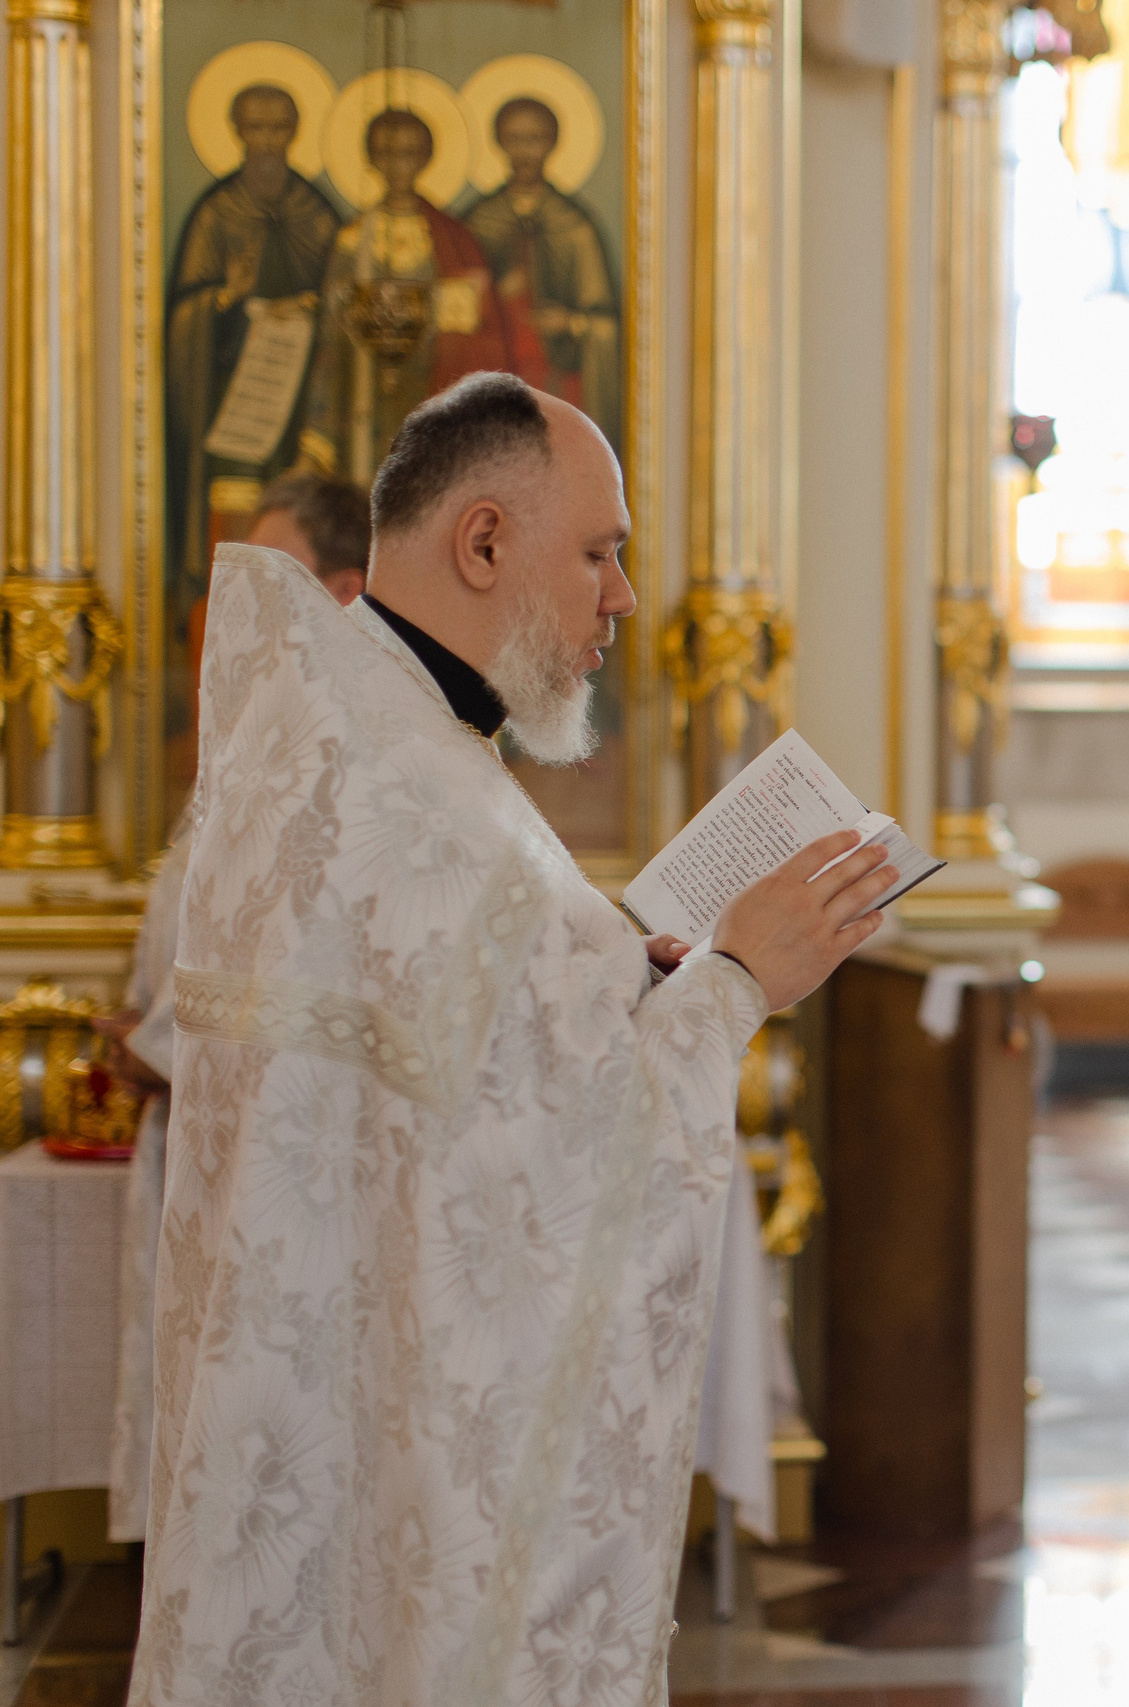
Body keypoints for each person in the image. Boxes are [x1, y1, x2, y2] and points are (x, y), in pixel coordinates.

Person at [132, 373, 899, 1704]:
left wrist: (637, 978)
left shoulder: (357, 736)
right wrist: (736, 980)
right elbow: (571, 1163)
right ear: (483, 542)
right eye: (598, 552)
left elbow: (468, 1087)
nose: (621, 596)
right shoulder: (414, 785)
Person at [96, 471, 373, 1547]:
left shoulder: (341, 765)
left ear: (343, 594)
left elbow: (306, 990)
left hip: (273, 1178)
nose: (236, 613)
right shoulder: (265, 743)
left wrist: (158, 1043)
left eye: (272, 577)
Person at [164, 85, 340, 620]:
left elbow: (346, 307)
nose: (267, 140)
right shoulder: (217, 214)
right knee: (237, 527)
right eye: (255, 128)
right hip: (235, 404)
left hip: (305, 403)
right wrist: (223, 299)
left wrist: (316, 313)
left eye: (279, 127)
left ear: (294, 132)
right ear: (238, 132)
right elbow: (183, 319)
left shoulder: (316, 212)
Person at [300, 108, 517, 484]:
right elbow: (331, 344)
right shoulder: (353, 240)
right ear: (372, 159)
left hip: (429, 389)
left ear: (426, 158)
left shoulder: (451, 239)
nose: (398, 165)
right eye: (387, 154)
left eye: (410, 153)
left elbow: (467, 337)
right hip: (364, 405)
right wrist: (319, 434)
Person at [458, 97, 623, 446]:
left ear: (552, 144)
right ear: (500, 143)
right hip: (495, 373)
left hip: (558, 379)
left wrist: (570, 322)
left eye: (535, 139)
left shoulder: (576, 226)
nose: (525, 151)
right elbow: (457, 308)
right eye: (515, 139)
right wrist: (493, 294)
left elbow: (606, 323)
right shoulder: (479, 222)